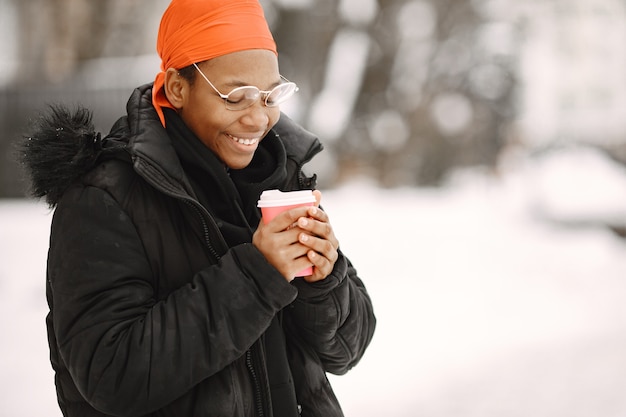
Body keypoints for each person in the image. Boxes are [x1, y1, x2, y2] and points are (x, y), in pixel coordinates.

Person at [19, 0, 376, 416]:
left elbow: (346, 351)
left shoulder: (280, 180)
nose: (258, 119)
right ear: (177, 88)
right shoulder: (103, 199)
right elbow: (111, 375)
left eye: (270, 95)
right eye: (237, 96)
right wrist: (258, 275)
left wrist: (325, 276)